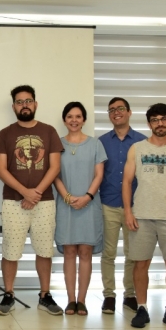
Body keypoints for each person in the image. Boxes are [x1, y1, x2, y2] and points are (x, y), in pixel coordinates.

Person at [0, 85, 63, 316]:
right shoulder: (4, 134)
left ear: (35, 104)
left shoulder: (49, 131)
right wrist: (25, 192)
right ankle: (9, 294)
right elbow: (1, 170)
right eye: (20, 102)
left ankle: (45, 295)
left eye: (28, 101)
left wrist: (36, 193)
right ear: (14, 106)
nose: (25, 105)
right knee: (10, 251)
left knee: (45, 250)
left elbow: (54, 167)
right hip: (13, 202)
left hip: (45, 202)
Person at [123, 103, 166, 328]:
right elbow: (126, 182)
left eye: (164, 119)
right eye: (155, 120)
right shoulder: (137, 148)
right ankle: (142, 308)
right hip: (141, 216)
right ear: (149, 124)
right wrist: (128, 211)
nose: (159, 123)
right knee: (140, 263)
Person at [52, 102, 107, 316]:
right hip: (65, 204)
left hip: (89, 204)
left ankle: (82, 300)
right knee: (69, 252)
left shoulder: (95, 144)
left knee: (85, 252)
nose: (74, 120)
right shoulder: (57, 144)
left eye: (78, 116)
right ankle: (70, 300)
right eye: (70, 116)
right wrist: (67, 196)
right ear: (64, 120)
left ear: (84, 120)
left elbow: (99, 175)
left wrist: (87, 197)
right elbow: (54, 174)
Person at [97, 97, 146, 314]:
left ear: (129, 112)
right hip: (108, 204)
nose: (116, 112)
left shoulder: (142, 142)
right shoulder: (101, 142)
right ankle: (109, 295)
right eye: (112, 110)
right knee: (108, 253)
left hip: (134, 206)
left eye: (120, 108)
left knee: (132, 253)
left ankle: (130, 295)